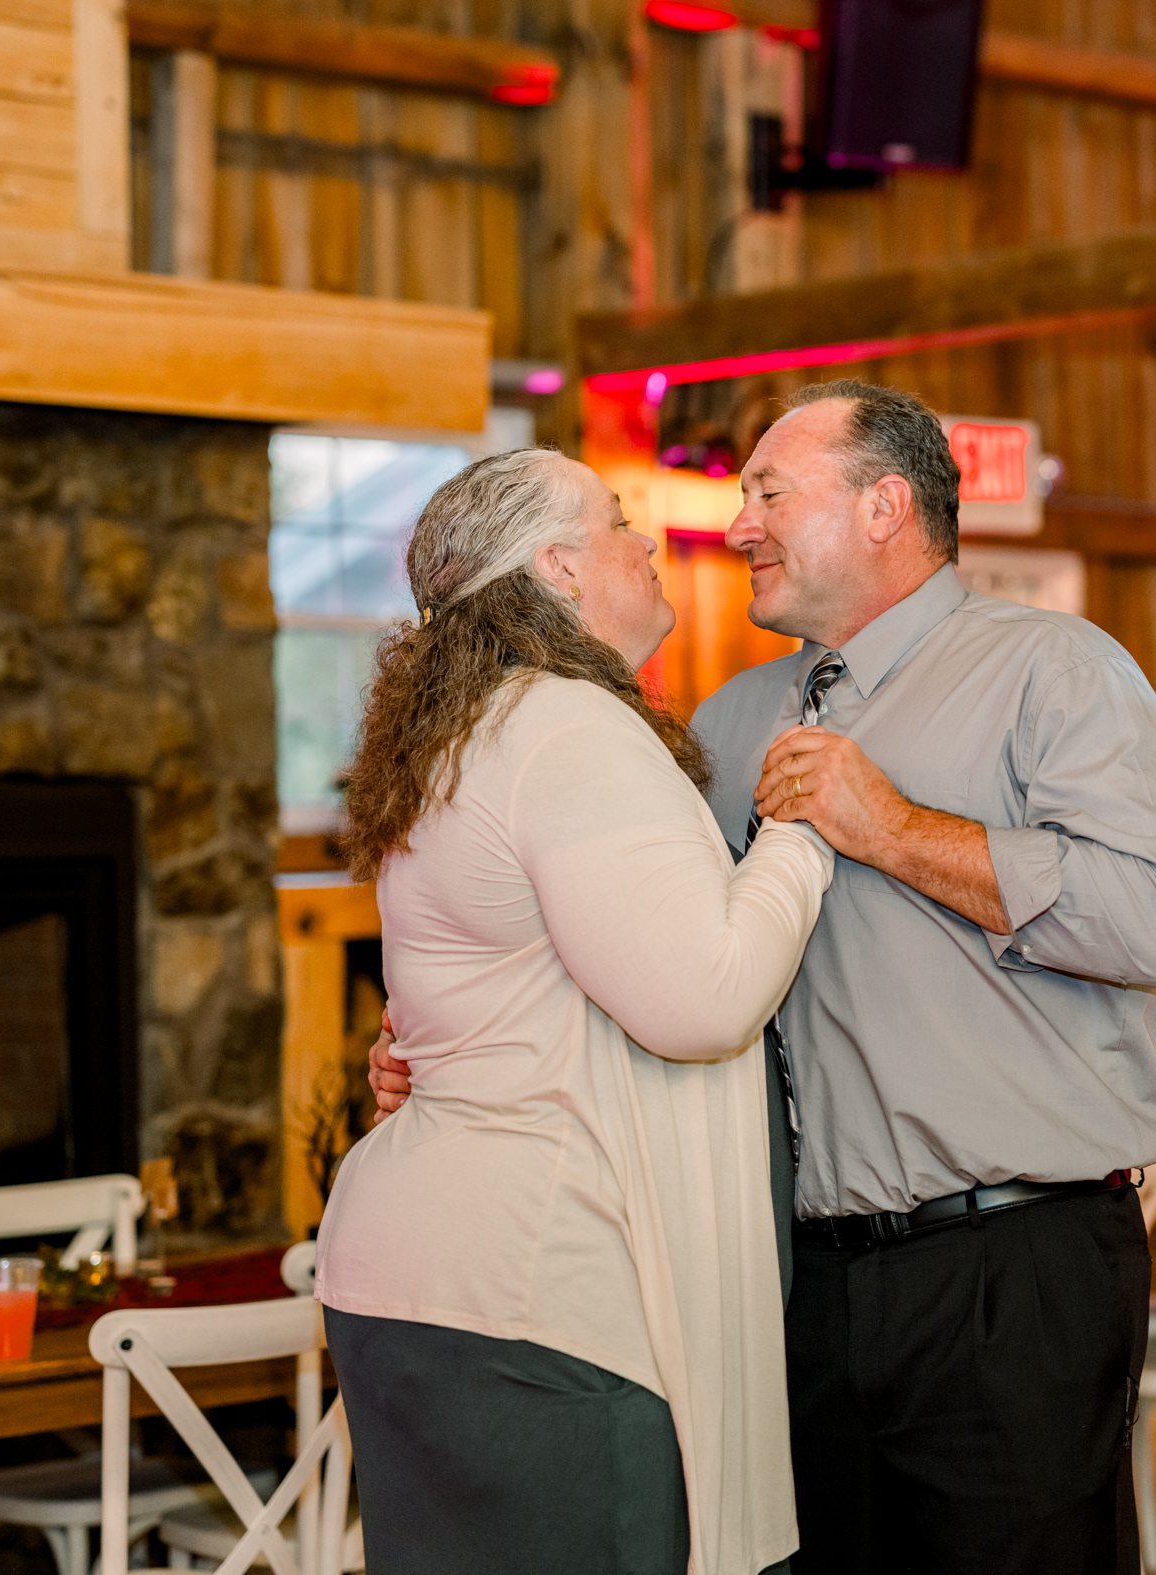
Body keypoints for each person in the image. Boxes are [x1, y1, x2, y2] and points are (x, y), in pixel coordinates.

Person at [374, 380, 1156, 1574]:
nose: (738, 525)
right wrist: (449, 1048)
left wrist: (900, 830)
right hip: (795, 1282)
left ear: (884, 505)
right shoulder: (728, 719)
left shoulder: (1056, 672)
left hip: (1009, 1271)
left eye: (767, 492)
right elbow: (656, 958)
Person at [315, 446, 833, 1575]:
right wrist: (800, 835)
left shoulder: (461, 737)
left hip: (408, 1281)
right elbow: (702, 1000)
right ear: (555, 568)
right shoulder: (567, 729)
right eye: (614, 522)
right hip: (542, 1300)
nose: (644, 543)